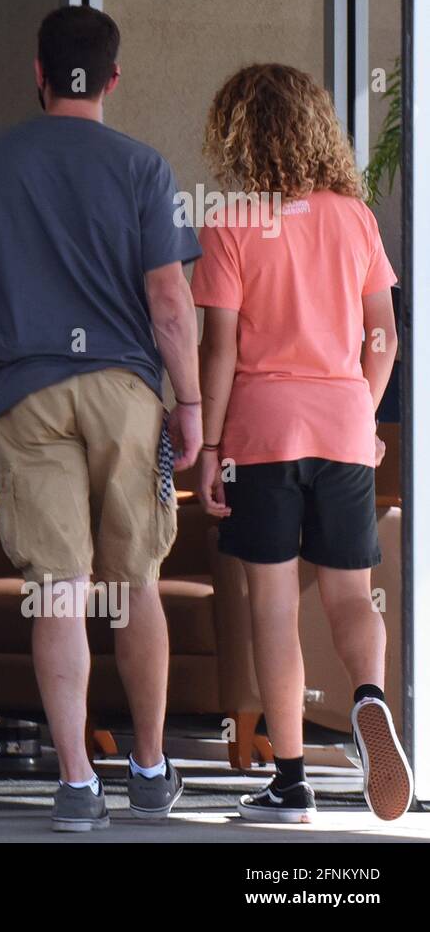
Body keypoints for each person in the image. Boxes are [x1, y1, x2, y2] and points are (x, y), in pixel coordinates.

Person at [0, 5, 203, 831]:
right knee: (136, 584)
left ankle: (78, 782)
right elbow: (169, 300)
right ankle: (150, 768)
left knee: (58, 590)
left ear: (38, 73)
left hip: (27, 394)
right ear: (113, 79)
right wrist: (190, 403)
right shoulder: (144, 168)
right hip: (125, 392)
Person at [192, 63, 414, 823]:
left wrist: (209, 446)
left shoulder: (228, 222)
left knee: (274, 605)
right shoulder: (354, 218)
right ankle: (370, 697)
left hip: (262, 433)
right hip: (342, 425)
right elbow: (383, 337)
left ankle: (289, 781)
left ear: (238, 135)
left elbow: (218, 352)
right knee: (351, 593)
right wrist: (361, 410)